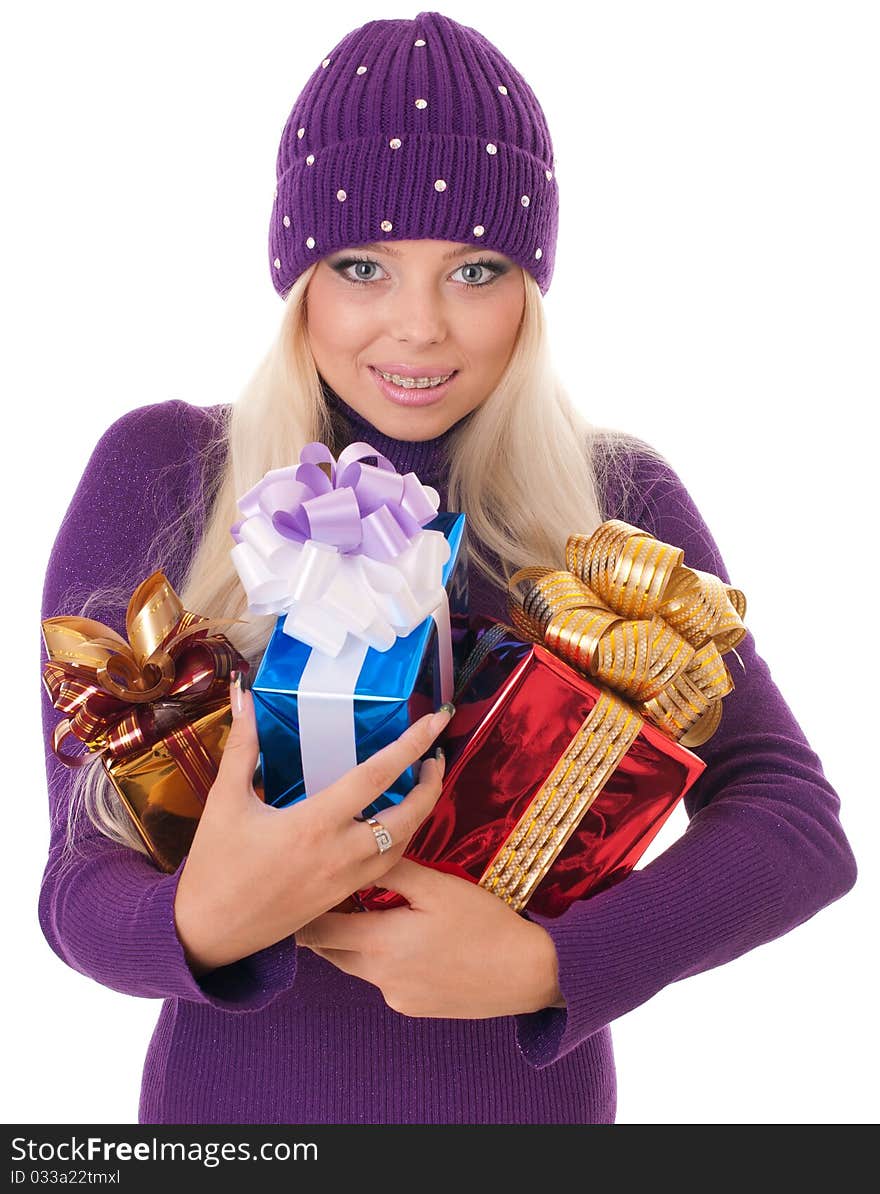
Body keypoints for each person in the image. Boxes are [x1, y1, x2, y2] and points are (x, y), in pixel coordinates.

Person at [38, 10, 857, 1125]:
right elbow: (76, 886)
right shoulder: (165, 470)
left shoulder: (612, 497)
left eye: (476, 269)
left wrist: (551, 967)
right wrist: (204, 920)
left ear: (532, 286)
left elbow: (794, 825)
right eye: (363, 266)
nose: (418, 327)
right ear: (299, 281)